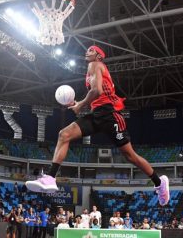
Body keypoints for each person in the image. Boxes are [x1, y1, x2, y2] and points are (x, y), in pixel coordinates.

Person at [25, 46, 170, 205]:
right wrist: (80, 103)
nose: (87, 52)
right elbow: (96, 95)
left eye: (91, 50)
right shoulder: (93, 69)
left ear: (99, 56)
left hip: (110, 116)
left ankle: (159, 182)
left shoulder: (95, 65)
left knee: (130, 156)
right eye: (87, 50)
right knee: (64, 134)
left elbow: (97, 90)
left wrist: (80, 105)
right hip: (97, 114)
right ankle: (51, 178)